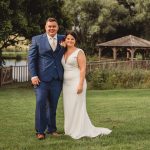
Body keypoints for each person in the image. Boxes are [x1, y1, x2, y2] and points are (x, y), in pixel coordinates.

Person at [61, 31, 112, 139]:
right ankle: (69, 130)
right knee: (69, 107)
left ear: (75, 41)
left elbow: (83, 69)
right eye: (68, 38)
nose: (70, 40)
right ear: (65, 40)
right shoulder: (63, 52)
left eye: (72, 39)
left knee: (78, 107)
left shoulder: (79, 52)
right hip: (66, 85)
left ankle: (79, 130)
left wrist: (80, 84)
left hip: (77, 82)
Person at [28, 18, 65, 140]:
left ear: (57, 27)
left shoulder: (63, 39)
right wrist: (33, 75)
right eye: (49, 26)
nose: (51, 28)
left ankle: (52, 129)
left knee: (53, 105)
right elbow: (31, 59)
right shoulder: (37, 39)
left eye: (54, 26)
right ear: (45, 27)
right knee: (40, 103)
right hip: (41, 79)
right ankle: (40, 131)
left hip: (57, 79)